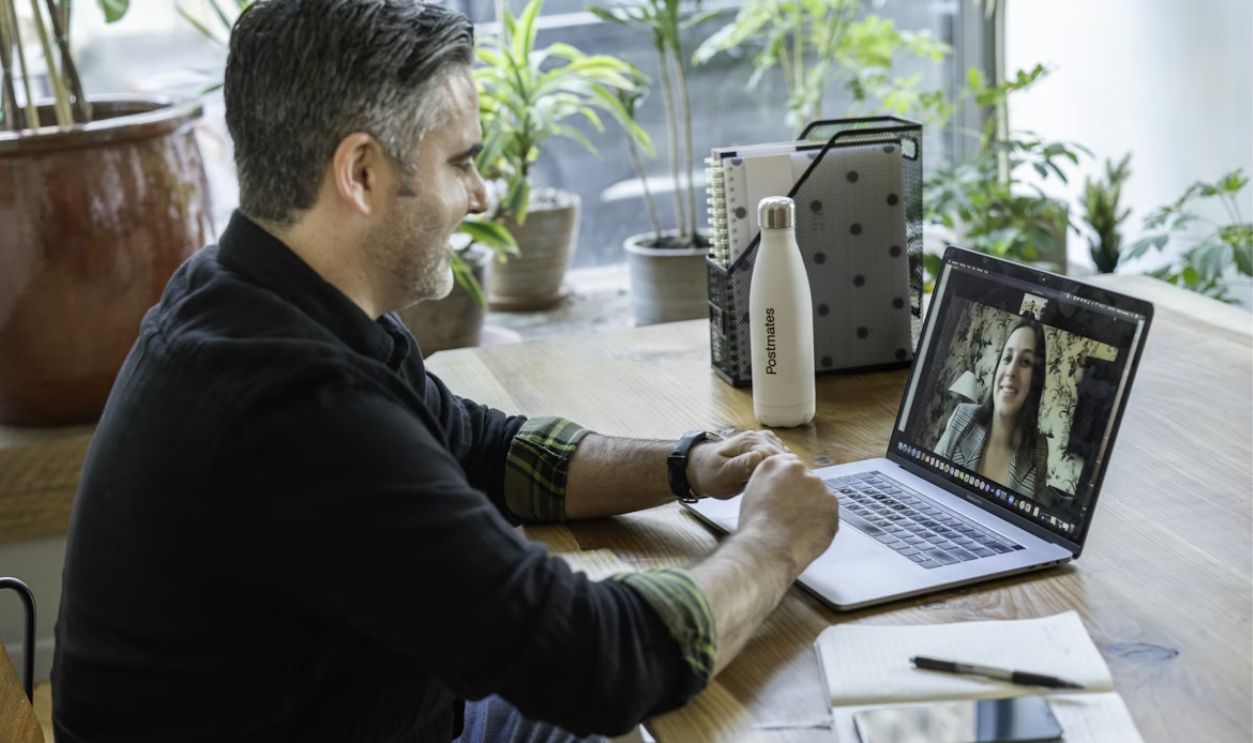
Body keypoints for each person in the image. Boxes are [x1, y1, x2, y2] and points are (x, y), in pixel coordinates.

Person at [50, 2, 839, 741]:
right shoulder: (298, 412)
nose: (481, 194)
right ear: (359, 173)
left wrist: (687, 464)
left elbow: (481, 447)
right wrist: (774, 540)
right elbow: (598, 661)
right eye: (461, 161)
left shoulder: (248, 293)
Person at [934, 319, 1049, 499]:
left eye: (1026, 362)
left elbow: (1033, 518)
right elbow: (928, 481)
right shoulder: (962, 416)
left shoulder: (1039, 449)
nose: (1011, 371)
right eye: (1007, 358)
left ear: (1035, 380)